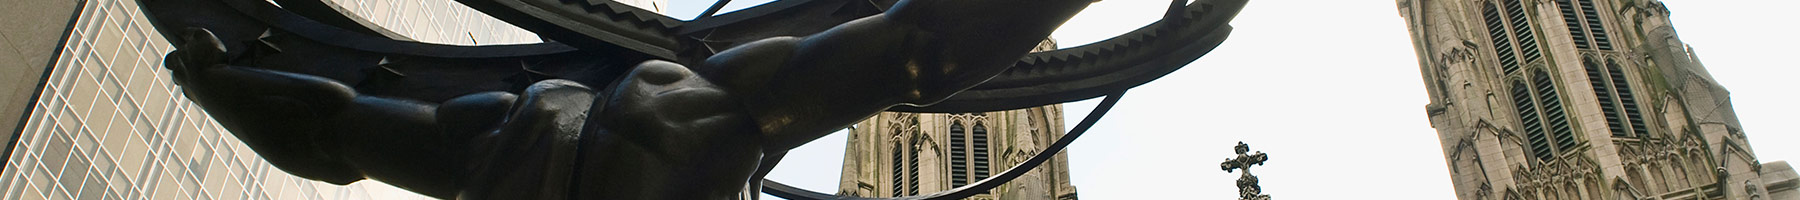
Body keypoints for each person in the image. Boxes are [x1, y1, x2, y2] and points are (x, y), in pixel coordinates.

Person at [162, 0, 1098, 199]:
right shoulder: (716, 109)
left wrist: (221, 82)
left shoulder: (721, 110)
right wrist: (221, 81)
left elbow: (918, 53)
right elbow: (918, 52)